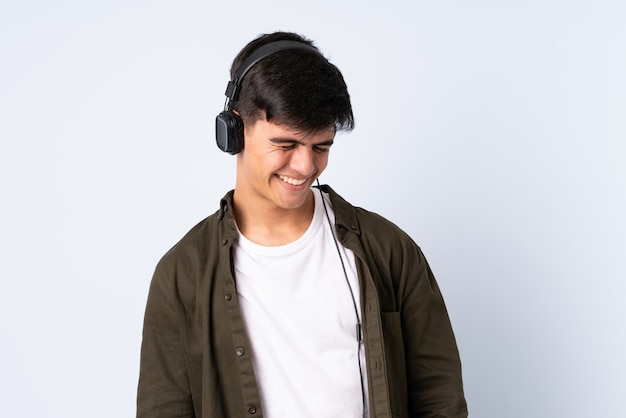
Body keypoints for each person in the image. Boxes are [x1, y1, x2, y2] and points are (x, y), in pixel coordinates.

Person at [137, 31, 467, 418]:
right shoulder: (182, 275)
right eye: (286, 145)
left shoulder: (388, 251)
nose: (306, 167)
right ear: (235, 130)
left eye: (321, 147)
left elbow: (439, 398)